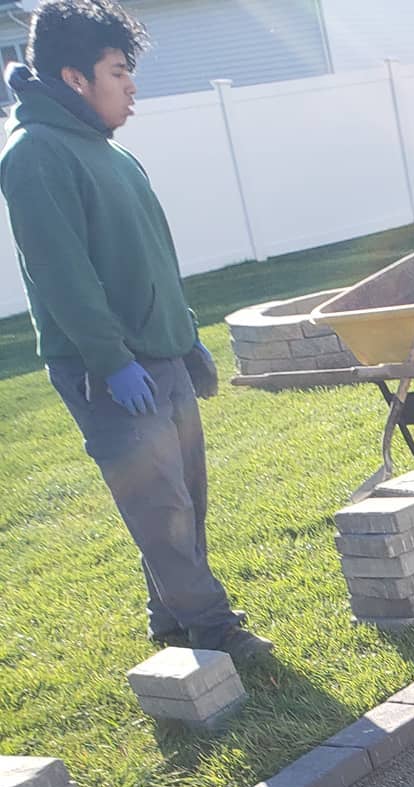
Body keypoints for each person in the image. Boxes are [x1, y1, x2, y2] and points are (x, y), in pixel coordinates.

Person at [0, 0, 272, 660]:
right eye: (118, 71)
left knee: (186, 497)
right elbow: (64, 278)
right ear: (73, 78)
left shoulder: (113, 155)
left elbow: (152, 258)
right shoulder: (35, 155)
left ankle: (170, 618)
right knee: (162, 505)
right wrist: (111, 360)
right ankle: (213, 626)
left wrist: (182, 337)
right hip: (107, 369)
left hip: (162, 354)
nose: (132, 86)